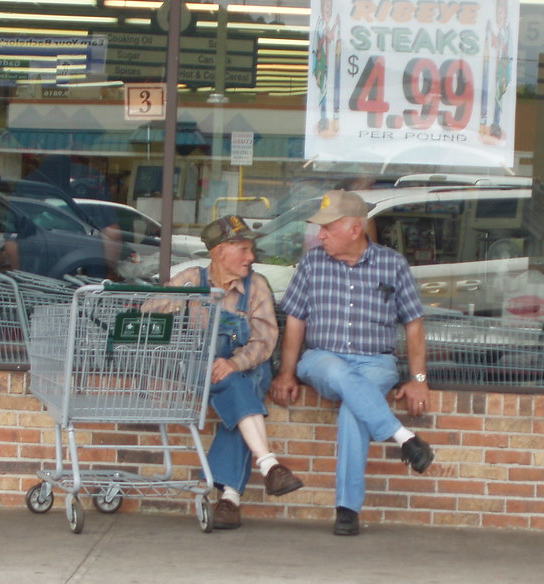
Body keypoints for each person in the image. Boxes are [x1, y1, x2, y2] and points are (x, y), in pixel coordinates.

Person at [269, 190, 434, 536]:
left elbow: (414, 324)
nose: (320, 235)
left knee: (353, 412)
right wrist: (286, 372)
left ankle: (347, 510)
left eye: (327, 228)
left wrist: (418, 378)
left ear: (354, 229)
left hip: (376, 363)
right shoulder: (312, 263)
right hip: (322, 359)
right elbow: (295, 322)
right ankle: (404, 438)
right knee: (335, 370)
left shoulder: (393, 264)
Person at [162, 215, 303, 530]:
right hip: (200, 367)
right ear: (218, 252)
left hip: (248, 367)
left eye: (251, 250)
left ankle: (230, 500)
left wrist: (234, 363)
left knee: (240, 386)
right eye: (242, 249)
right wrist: (172, 311)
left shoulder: (257, 287)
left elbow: (265, 341)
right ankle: (265, 467)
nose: (251, 257)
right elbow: (150, 315)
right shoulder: (188, 279)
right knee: (244, 395)